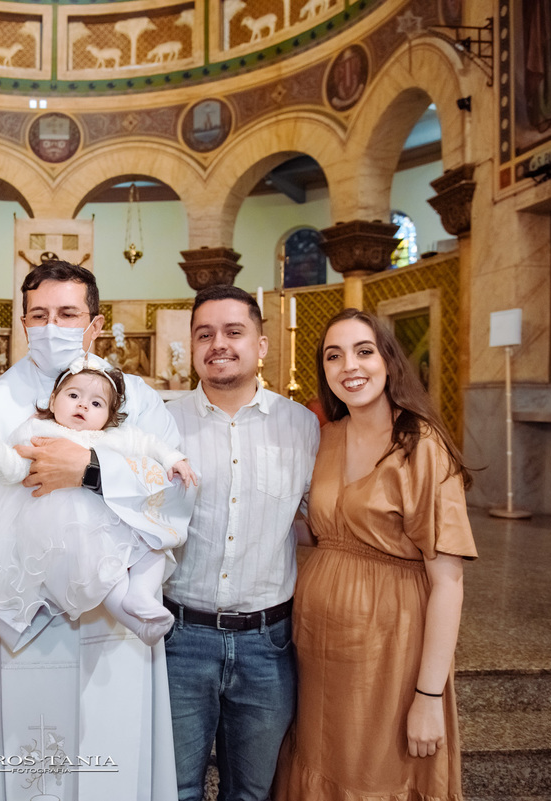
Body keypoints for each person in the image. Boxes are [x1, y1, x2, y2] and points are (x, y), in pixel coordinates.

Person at [0, 259, 193, 801]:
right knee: (26, 768)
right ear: (23, 322)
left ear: (95, 323)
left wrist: (91, 473)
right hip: (25, 617)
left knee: (112, 768)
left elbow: (175, 492)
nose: (52, 326)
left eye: (68, 313)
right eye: (39, 314)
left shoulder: (137, 399)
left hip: (115, 619)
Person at [275, 308, 476, 800]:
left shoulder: (420, 445)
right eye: (334, 355)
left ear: (388, 360)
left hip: (391, 649)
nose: (350, 366)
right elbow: (324, 530)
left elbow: (448, 582)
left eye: (364, 351)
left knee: (376, 775)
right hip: (318, 649)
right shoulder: (325, 438)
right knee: (320, 760)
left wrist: (428, 697)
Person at [164, 286, 320, 801]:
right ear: (191, 346)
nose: (218, 344)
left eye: (234, 332)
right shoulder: (161, 424)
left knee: (251, 793)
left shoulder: (301, 427)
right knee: (174, 788)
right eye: (204, 334)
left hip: (267, 644)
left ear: (262, 344)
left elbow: (314, 520)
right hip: (180, 640)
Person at [0, 353, 195, 647]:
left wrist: (174, 458)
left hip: (116, 518)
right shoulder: (38, 430)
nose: (83, 404)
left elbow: (149, 444)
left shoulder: (115, 435)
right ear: (53, 399)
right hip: (71, 528)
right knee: (104, 573)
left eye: (97, 403)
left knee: (154, 541)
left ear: (109, 416)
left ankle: (142, 596)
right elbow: (13, 469)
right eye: (73, 395)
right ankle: (135, 619)